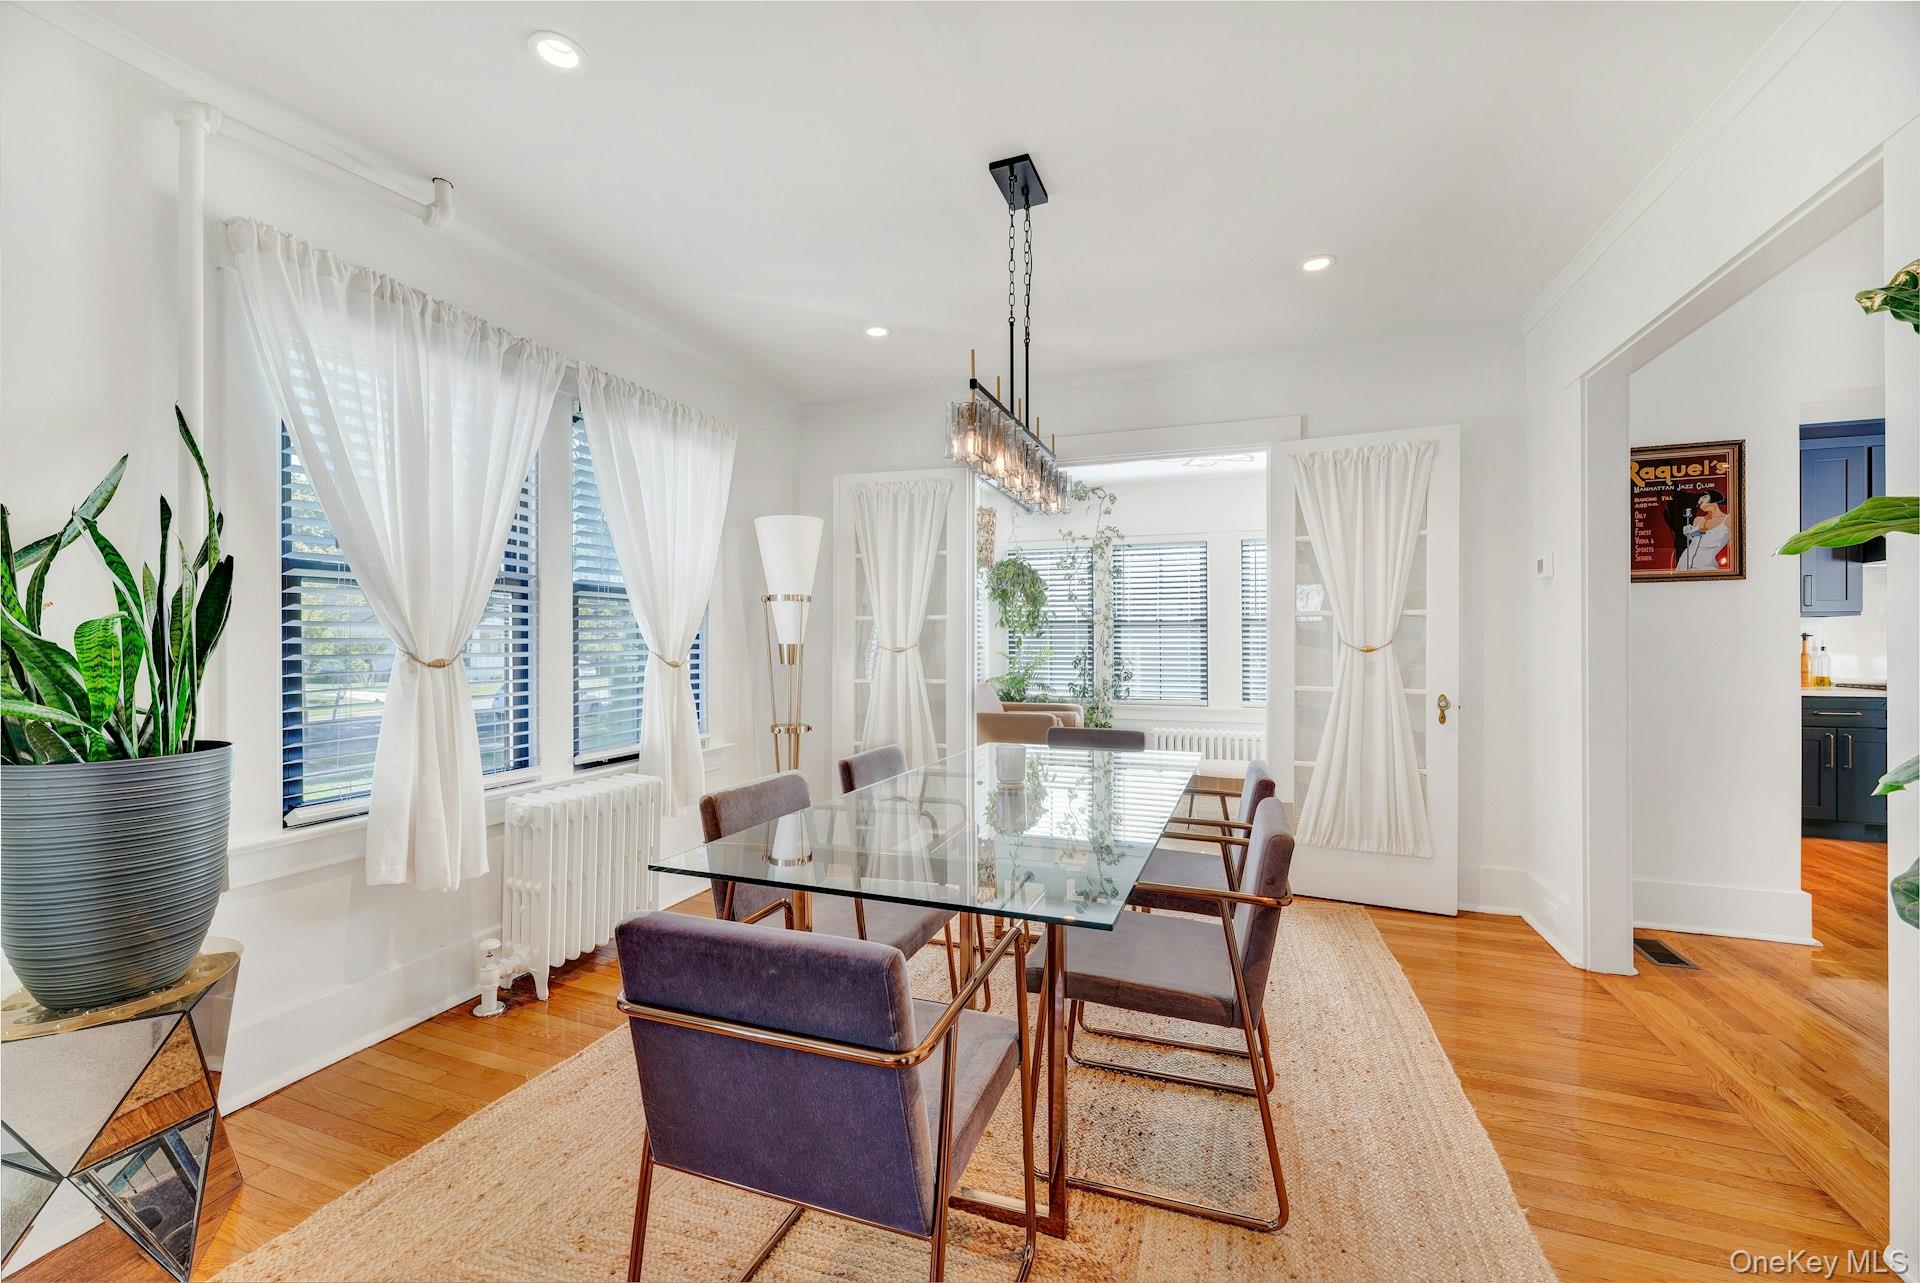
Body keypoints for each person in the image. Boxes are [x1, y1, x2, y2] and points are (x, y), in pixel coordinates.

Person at [1677, 488, 1732, 571]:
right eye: (1699, 501)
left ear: (1713, 498)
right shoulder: (1698, 519)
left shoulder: (1729, 519)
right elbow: (1695, 542)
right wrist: (1688, 534)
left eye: (1704, 497)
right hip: (1684, 563)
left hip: (1706, 566)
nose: (1699, 501)